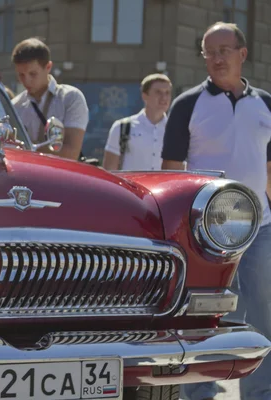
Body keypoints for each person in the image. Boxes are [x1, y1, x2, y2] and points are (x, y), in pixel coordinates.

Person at [161, 22, 271, 400]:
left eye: (224, 49)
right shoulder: (187, 104)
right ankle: (199, 390)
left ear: (243, 53)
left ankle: (261, 391)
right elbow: (171, 172)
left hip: (260, 228)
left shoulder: (266, 104)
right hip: (202, 234)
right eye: (209, 51)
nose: (217, 58)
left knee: (262, 314)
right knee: (200, 317)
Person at [10, 37, 89, 160]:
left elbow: (71, 153)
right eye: (21, 75)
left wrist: (26, 146)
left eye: (33, 74)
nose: (26, 80)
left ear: (48, 67)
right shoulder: (15, 106)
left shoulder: (70, 98)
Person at [102, 73, 172, 171]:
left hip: (163, 186)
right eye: (158, 92)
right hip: (129, 186)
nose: (164, 97)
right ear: (144, 96)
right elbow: (109, 170)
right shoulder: (122, 127)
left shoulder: (176, 130)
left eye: (167, 92)